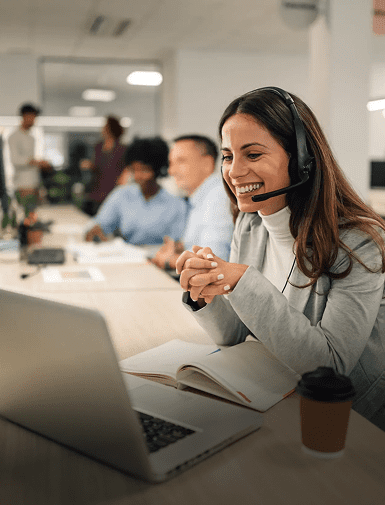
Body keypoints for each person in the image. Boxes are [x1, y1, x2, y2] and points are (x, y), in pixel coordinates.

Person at [176, 87, 385, 430]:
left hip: (348, 422)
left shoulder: (359, 242)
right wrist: (205, 294)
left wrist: (242, 281)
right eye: (228, 156)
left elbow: (329, 367)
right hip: (277, 396)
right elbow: (234, 333)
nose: (234, 171)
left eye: (253, 155)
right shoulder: (250, 223)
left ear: (302, 159)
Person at [151, 135, 233, 270]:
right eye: (171, 163)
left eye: (181, 161)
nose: (172, 171)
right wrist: (179, 249)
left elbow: (212, 262)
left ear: (207, 164)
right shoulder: (201, 197)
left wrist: (169, 260)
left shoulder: (218, 197)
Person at [84, 137, 187, 245]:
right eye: (134, 170)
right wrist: (95, 230)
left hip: (159, 259)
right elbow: (101, 223)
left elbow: (179, 243)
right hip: (126, 257)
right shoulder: (122, 195)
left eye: (144, 170)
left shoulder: (176, 204)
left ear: (158, 169)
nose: (138, 176)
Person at [80, 115, 127, 216]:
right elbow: (97, 166)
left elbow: (126, 168)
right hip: (98, 189)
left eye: (105, 126)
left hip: (114, 188)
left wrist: (123, 177)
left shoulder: (122, 148)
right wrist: (89, 165)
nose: (102, 129)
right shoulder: (98, 146)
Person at [8, 103, 48, 205]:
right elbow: (15, 160)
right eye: (32, 117)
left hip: (34, 183)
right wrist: (36, 162)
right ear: (24, 116)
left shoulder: (31, 137)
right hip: (23, 185)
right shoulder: (14, 136)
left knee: (33, 215)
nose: (34, 121)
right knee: (25, 214)